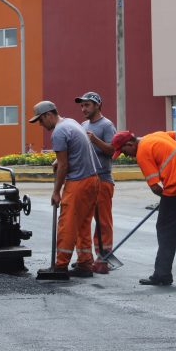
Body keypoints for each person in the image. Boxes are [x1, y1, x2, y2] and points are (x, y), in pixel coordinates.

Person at [111, 129, 176, 286]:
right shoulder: (155, 135)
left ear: (130, 144)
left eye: (124, 151)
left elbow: (156, 188)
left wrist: (168, 201)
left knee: (165, 231)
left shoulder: (142, 153)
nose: (126, 155)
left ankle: (162, 275)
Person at [30, 100, 100, 278]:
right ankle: (85, 263)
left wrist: (56, 192)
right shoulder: (71, 123)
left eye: (40, 120)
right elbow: (75, 151)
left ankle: (60, 266)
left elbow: (63, 166)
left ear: (48, 115)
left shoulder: (59, 132)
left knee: (67, 224)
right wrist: (59, 161)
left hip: (78, 183)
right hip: (92, 180)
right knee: (83, 223)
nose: (40, 124)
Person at [75, 91, 116, 274]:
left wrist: (95, 140)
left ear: (98, 105)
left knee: (103, 222)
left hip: (103, 179)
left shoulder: (107, 125)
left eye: (87, 105)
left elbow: (113, 151)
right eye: (82, 105)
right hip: (86, 179)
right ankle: (85, 258)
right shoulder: (83, 125)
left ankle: (103, 259)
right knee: (83, 220)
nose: (83, 109)